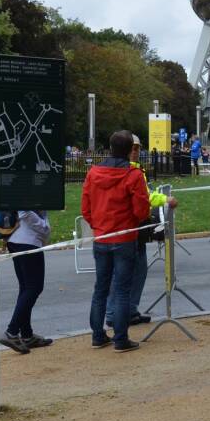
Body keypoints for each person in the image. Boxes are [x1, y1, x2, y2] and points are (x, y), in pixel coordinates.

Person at [82, 130, 151, 353]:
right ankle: (121, 338)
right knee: (121, 290)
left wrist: (98, 224)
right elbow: (141, 209)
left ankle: (97, 335)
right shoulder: (133, 175)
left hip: (102, 236)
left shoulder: (93, 173)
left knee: (100, 288)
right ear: (130, 149)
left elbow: (86, 207)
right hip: (124, 237)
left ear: (110, 147)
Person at [106, 135, 177, 329]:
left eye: (138, 148)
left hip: (136, 227)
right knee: (122, 274)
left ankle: (129, 310)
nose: (136, 151)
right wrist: (163, 200)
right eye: (133, 148)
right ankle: (114, 313)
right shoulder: (126, 171)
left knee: (139, 271)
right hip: (128, 228)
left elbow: (145, 195)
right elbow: (143, 197)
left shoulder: (136, 170)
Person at [0, 211, 53, 354]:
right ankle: (12, 331)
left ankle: (27, 334)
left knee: (26, 288)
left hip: (18, 239)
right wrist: (44, 227)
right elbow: (25, 211)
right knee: (34, 288)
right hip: (27, 240)